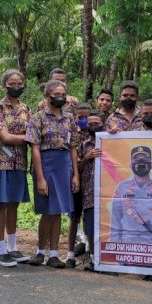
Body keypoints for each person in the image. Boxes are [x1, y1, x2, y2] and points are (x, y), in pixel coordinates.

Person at [26, 80, 80, 268]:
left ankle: (55, 254)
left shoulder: (69, 119)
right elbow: (34, 148)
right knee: (47, 211)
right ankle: (40, 252)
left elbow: (73, 147)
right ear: (47, 96)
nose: (61, 97)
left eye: (63, 94)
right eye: (56, 94)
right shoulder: (38, 118)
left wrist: (75, 175)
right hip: (45, 164)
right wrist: (40, 177)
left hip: (64, 165)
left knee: (58, 211)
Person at [0, 69, 32, 267]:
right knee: (1, 204)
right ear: (4, 85)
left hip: (20, 161)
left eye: (19, 83)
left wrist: (21, 138)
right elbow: (4, 137)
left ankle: (12, 247)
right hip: (1, 162)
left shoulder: (25, 108)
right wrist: (26, 137)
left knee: (14, 203)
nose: (16, 86)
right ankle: (0, 249)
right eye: (12, 83)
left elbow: (30, 132)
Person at [110, 145, 152, 245]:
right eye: (136, 159)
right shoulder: (122, 188)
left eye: (145, 158)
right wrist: (115, 246)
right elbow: (115, 221)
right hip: (128, 248)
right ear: (130, 165)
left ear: (151, 164)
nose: (140, 161)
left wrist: (150, 219)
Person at [66, 102, 93, 267]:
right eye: (80, 118)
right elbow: (76, 164)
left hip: (92, 184)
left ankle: (90, 251)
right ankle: (69, 254)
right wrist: (87, 158)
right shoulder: (72, 136)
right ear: (74, 118)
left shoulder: (97, 135)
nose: (84, 120)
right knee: (74, 218)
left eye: (87, 117)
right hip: (76, 181)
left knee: (90, 218)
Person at [78, 110, 104, 270]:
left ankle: (108, 261)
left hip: (109, 192)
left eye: (97, 123)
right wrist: (87, 158)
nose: (93, 126)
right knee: (91, 227)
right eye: (90, 124)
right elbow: (78, 168)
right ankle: (94, 260)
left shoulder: (113, 142)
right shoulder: (83, 144)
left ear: (103, 124)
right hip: (89, 191)